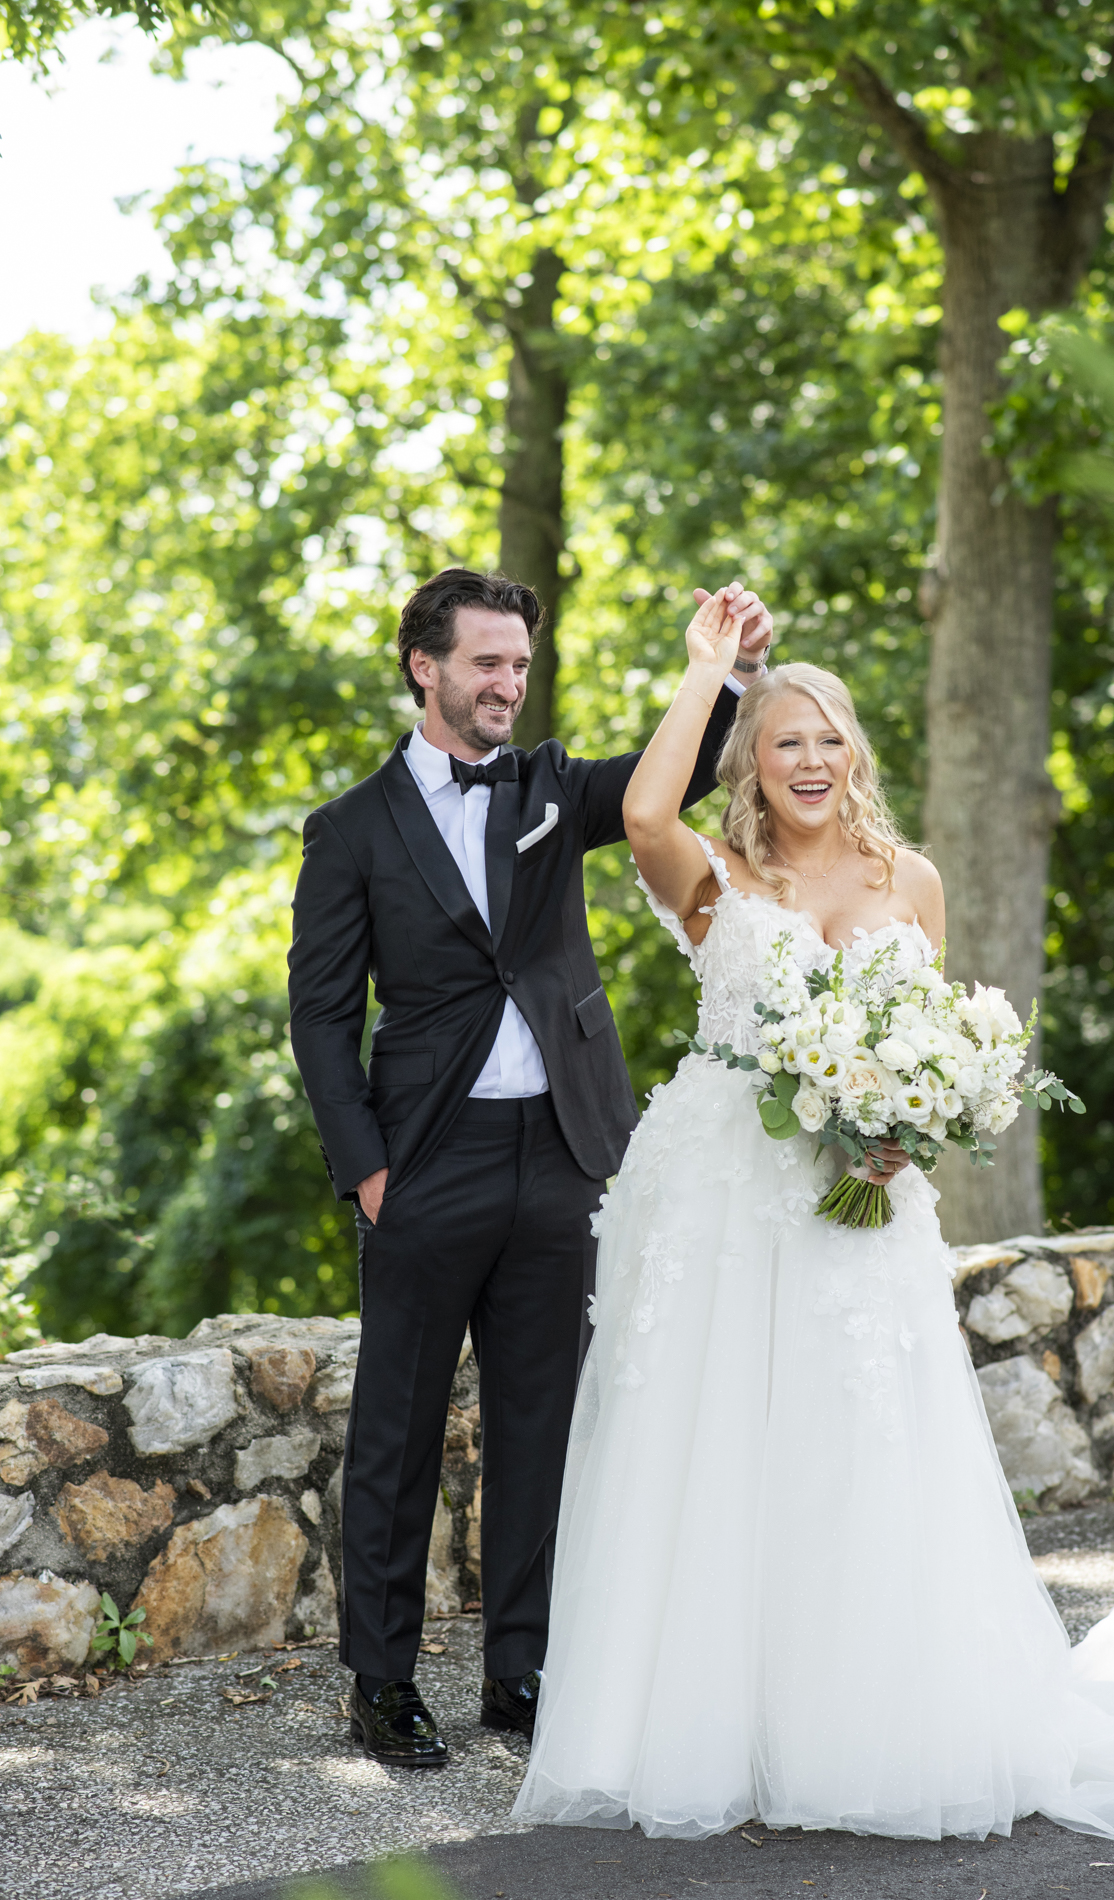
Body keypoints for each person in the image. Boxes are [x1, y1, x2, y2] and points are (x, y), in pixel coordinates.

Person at [512, 589, 1114, 1842]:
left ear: (854, 752)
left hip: (856, 1200)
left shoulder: (907, 877)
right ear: (750, 763)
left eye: (828, 739)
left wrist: (900, 1128)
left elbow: (938, 1047)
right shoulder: (716, 877)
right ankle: (709, 1728)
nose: (810, 761)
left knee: (854, 1448)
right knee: (709, 1452)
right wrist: (708, 668)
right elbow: (642, 809)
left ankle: (862, 1721)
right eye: (783, 741)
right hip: (719, 1197)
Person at [287, 566, 772, 1767]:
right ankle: (382, 1683)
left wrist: (732, 674)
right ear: (425, 667)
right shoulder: (349, 829)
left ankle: (524, 1669)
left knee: (546, 1423)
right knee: (395, 1433)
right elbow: (319, 1014)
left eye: (518, 664)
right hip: (424, 1164)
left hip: (566, 1156)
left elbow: (668, 782)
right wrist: (365, 1169)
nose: (508, 683)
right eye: (486, 663)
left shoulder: (555, 789)